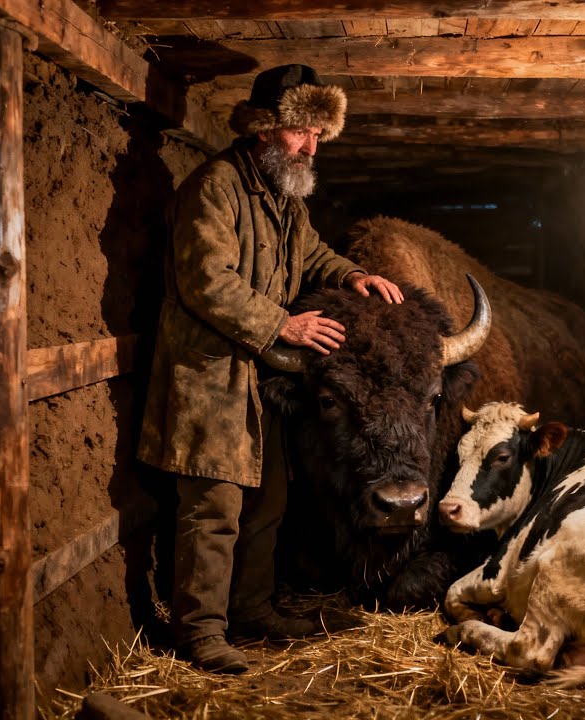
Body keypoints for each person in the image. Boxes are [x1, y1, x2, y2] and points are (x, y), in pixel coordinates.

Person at [137, 64, 404, 675]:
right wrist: (283, 324)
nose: (311, 147)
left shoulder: (282, 196)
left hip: (261, 379)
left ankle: (251, 610)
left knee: (268, 503)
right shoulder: (216, 187)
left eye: (318, 135)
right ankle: (200, 632)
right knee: (214, 509)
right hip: (211, 377)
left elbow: (311, 255)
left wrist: (351, 275)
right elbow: (205, 280)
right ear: (265, 127)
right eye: (301, 132)